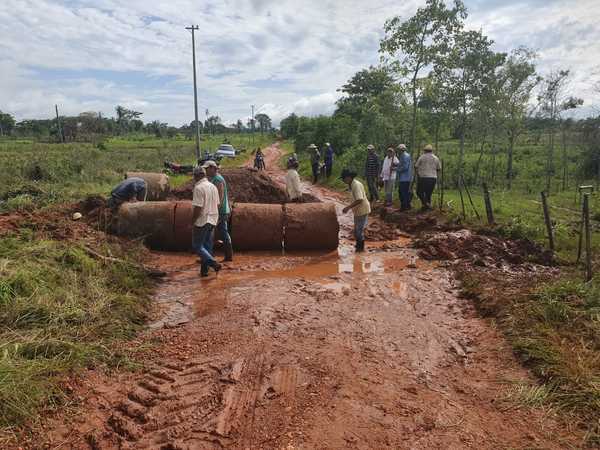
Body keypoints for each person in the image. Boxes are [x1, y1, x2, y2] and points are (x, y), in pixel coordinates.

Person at [191, 166, 222, 277]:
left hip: (202, 220)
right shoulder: (213, 186)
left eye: (194, 176)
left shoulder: (199, 188)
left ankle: (213, 264)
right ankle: (204, 271)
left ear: (198, 175)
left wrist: (192, 221)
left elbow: (198, 208)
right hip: (213, 219)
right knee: (207, 246)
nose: (194, 178)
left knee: (197, 246)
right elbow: (218, 204)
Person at [204, 160, 233, 262]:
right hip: (220, 211)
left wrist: (213, 212)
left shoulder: (218, 180)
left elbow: (219, 199)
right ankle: (227, 256)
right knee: (222, 232)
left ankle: (208, 257)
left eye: (207, 169)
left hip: (219, 211)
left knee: (210, 233)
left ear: (212, 168)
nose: (206, 171)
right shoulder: (214, 179)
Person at [341, 168, 371, 252]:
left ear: (349, 177)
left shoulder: (356, 185)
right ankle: (358, 247)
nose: (343, 180)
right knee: (357, 230)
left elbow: (360, 199)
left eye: (344, 178)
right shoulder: (351, 184)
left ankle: (360, 250)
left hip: (362, 210)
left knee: (358, 231)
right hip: (358, 211)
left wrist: (348, 207)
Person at [415, 144, 442, 211]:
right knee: (428, 194)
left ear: (425, 150)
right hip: (433, 178)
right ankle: (426, 207)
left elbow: (416, 166)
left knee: (419, 192)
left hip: (423, 177)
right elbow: (439, 168)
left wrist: (418, 174)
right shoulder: (436, 158)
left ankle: (426, 205)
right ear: (431, 151)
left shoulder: (422, 157)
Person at [396, 144, 413, 211]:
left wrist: (397, 169)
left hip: (405, 178)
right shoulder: (404, 156)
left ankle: (405, 206)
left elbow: (405, 167)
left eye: (399, 150)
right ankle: (406, 206)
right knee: (403, 192)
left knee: (403, 193)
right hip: (405, 178)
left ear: (401, 150)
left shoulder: (404, 156)